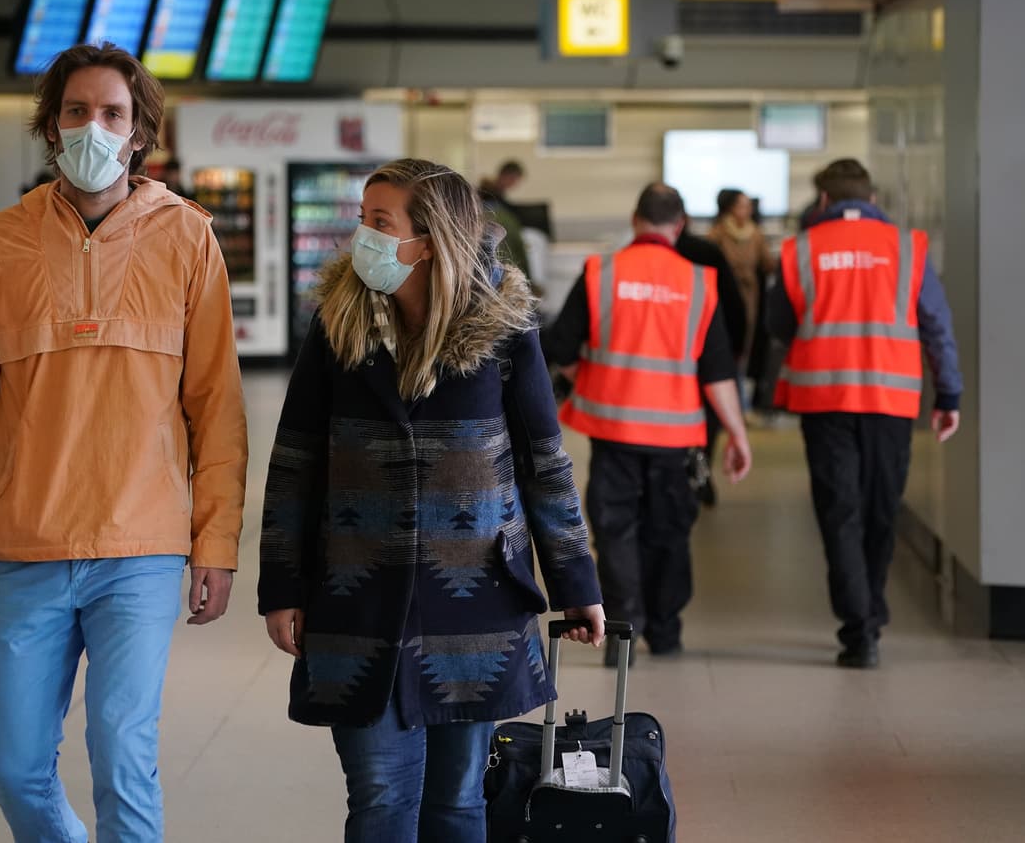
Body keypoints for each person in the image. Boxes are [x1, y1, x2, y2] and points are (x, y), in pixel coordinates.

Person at [0, 42, 248, 841]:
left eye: (112, 113)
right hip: (26, 546)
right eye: (75, 111)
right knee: (16, 763)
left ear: (138, 134)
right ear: (50, 125)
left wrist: (217, 543)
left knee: (122, 752)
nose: (92, 127)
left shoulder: (187, 238)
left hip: (142, 546)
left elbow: (218, 409)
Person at [259, 158, 605, 843]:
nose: (364, 236)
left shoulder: (505, 329)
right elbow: (295, 460)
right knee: (381, 794)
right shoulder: (337, 325)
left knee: (456, 801)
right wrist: (282, 584)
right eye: (362, 219)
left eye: (380, 222)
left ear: (431, 239)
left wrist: (577, 580)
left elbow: (545, 465)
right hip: (356, 600)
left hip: (476, 604)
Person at [543, 183, 752, 665]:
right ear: (679, 227)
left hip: (613, 431)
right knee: (669, 532)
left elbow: (560, 348)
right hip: (676, 438)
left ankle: (621, 636)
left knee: (615, 532)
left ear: (635, 219)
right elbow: (717, 371)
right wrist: (738, 435)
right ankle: (667, 630)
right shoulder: (700, 282)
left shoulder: (601, 272)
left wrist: (591, 374)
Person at [766, 158, 962, 670]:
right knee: (881, 509)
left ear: (824, 201)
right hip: (891, 403)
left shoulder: (798, 251)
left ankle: (858, 628)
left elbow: (780, 324)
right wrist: (950, 396)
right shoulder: (908, 248)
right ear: (872, 200)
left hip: (824, 400)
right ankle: (869, 613)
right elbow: (936, 326)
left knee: (840, 512)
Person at [675, 205, 747, 508]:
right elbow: (731, 301)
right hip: (707, 348)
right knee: (708, 416)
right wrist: (737, 344)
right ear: (684, 220)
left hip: (663, 354)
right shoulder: (707, 252)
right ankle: (700, 469)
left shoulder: (630, 261)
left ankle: (681, 471)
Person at [708, 188, 775, 359]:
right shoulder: (717, 233)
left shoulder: (755, 234)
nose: (747, 210)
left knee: (747, 337)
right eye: (742, 206)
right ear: (730, 208)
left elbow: (767, 263)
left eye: (748, 206)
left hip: (749, 294)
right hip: (725, 292)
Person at [478, 160, 531, 282]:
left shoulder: (495, 196)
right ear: (507, 176)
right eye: (514, 179)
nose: (515, 184)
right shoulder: (497, 206)